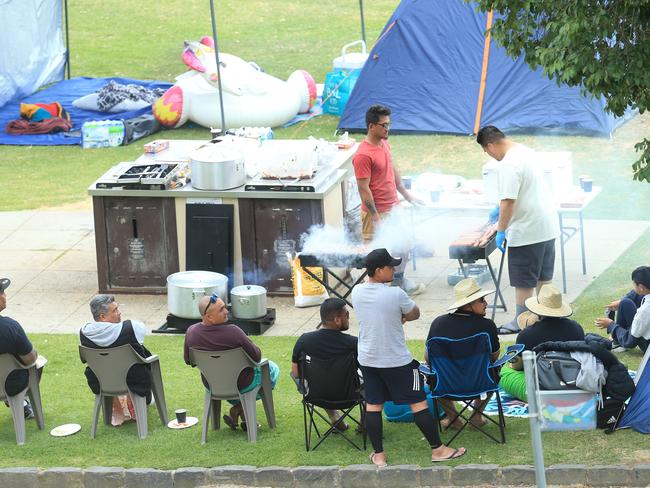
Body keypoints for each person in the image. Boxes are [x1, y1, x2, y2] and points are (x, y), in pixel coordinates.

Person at [351, 248, 465, 466]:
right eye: (390, 266)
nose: (395, 269)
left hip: (367, 359)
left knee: (373, 405)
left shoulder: (356, 292)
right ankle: (438, 450)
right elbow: (415, 313)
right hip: (397, 361)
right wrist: (400, 315)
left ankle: (379, 455)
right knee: (418, 403)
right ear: (378, 270)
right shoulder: (395, 294)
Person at [476, 126, 560, 334]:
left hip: (527, 231)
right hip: (547, 226)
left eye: (487, 152)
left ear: (490, 145)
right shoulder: (526, 152)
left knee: (524, 280)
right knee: (543, 277)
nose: (491, 156)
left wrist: (501, 229)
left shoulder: (508, 164)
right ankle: (544, 317)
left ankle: (521, 320)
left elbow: (508, 201)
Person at [352, 104, 426, 296]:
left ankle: (399, 281)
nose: (387, 129)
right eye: (384, 125)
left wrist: (406, 195)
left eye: (388, 124)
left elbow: (392, 169)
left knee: (404, 245)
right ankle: (377, 292)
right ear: (371, 126)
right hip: (376, 212)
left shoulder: (384, 143)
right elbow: (363, 188)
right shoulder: (362, 155)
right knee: (378, 255)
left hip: (394, 207)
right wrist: (376, 217)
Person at [183, 293, 279, 432]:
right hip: (242, 384)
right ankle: (238, 409)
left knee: (243, 375)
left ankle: (243, 415)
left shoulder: (191, 332)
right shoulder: (234, 332)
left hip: (213, 384)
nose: (227, 311)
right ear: (209, 317)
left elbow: (188, 361)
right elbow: (257, 357)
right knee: (272, 369)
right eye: (221, 309)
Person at [427, 278, 500, 429]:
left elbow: (428, 358)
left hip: (445, 385)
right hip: (481, 383)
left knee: (433, 377)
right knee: (494, 370)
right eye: (482, 300)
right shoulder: (486, 326)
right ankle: (476, 417)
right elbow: (494, 356)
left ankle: (454, 419)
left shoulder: (438, 323)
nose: (486, 303)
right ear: (468, 304)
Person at [499, 284, 585, 401]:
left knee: (506, 370)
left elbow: (518, 366)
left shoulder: (527, 335)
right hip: (574, 383)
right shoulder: (576, 328)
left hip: (542, 390)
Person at [80, 295, 154, 425]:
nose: (119, 313)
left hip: (101, 381)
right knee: (144, 355)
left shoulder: (84, 332)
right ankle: (131, 404)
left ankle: (118, 407)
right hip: (133, 380)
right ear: (103, 317)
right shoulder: (132, 327)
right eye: (114, 310)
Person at [291, 297, 358, 430]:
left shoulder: (304, 341)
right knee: (376, 378)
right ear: (337, 320)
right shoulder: (353, 343)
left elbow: (296, 373)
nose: (348, 318)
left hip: (316, 395)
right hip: (350, 395)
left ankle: (334, 417)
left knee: (320, 379)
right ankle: (365, 424)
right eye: (347, 315)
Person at [0, 278, 41, 419]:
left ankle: (22, 405)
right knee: (37, 363)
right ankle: (22, 404)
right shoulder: (10, 328)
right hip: (10, 385)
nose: (5, 296)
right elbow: (30, 359)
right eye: (3, 292)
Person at [595, 265, 650, 352]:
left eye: (634, 283)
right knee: (625, 303)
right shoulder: (644, 295)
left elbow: (629, 341)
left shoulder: (644, 311)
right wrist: (621, 302)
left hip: (647, 346)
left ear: (641, 287)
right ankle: (617, 339)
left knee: (625, 303)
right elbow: (636, 293)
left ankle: (617, 342)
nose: (633, 285)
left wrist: (611, 325)